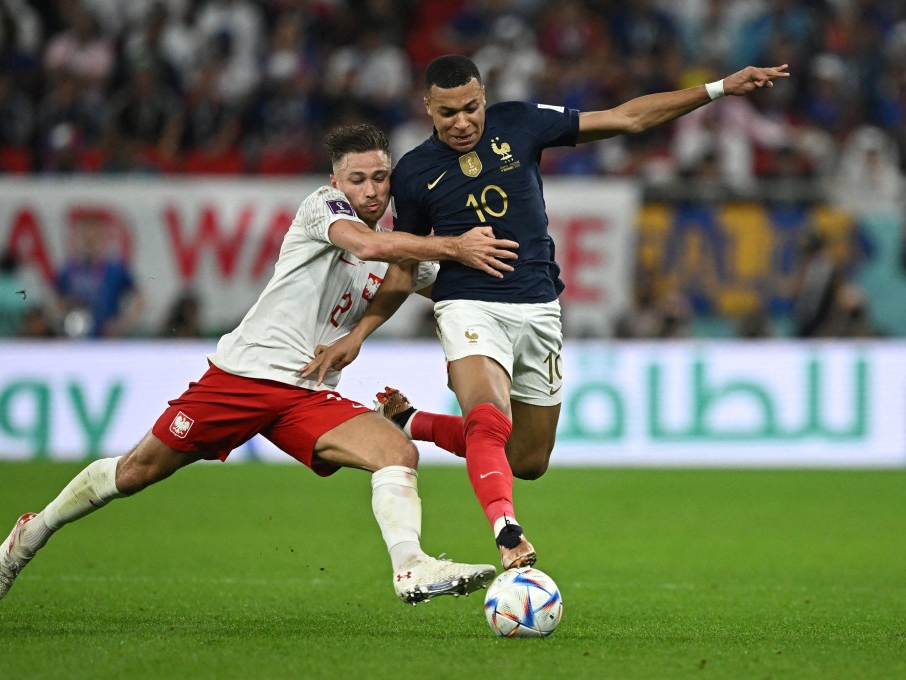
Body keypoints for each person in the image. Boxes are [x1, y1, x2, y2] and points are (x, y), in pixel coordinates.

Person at [0, 123, 520, 606]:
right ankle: (34, 531)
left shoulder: (401, 248)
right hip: (243, 377)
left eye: (381, 177)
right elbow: (367, 245)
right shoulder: (324, 210)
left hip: (308, 392)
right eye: (358, 179)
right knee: (136, 471)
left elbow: (447, 287)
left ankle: (410, 567)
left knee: (396, 451)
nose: (372, 190)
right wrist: (452, 244)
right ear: (337, 183)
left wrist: (511, 298)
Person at [303, 55, 790, 571]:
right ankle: (507, 531)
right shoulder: (414, 173)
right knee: (488, 417)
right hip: (469, 304)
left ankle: (410, 421)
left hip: (538, 307)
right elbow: (403, 268)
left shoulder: (520, 123)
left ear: (484, 98)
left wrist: (716, 88)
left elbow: (627, 118)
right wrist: (360, 334)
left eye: (471, 108)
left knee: (529, 460)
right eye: (448, 113)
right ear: (427, 108)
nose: (462, 122)